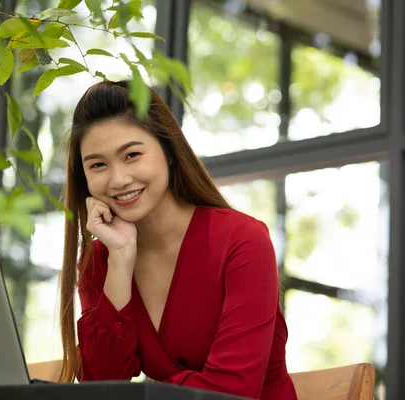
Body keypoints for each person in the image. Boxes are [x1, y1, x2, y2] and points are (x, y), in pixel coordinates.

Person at [58, 80, 298, 400]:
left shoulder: (243, 241)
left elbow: (233, 391)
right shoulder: (101, 261)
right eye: (98, 164)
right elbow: (100, 386)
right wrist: (120, 257)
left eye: (131, 155)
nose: (118, 179)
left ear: (169, 152)